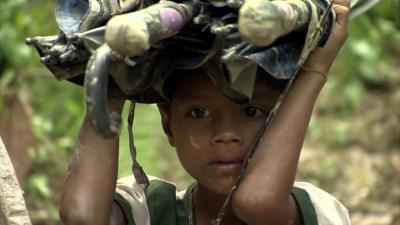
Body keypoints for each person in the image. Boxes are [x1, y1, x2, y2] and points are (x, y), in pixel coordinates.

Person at [59, 0, 351, 224]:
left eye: (251, 111)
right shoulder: (152, 211)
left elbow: (258, 202)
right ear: (168, 124)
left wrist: (315, 70)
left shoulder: (310, 209)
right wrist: (111, 84)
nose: (226, 134)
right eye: (199, 112)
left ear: (284, 119)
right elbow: (82, 217)